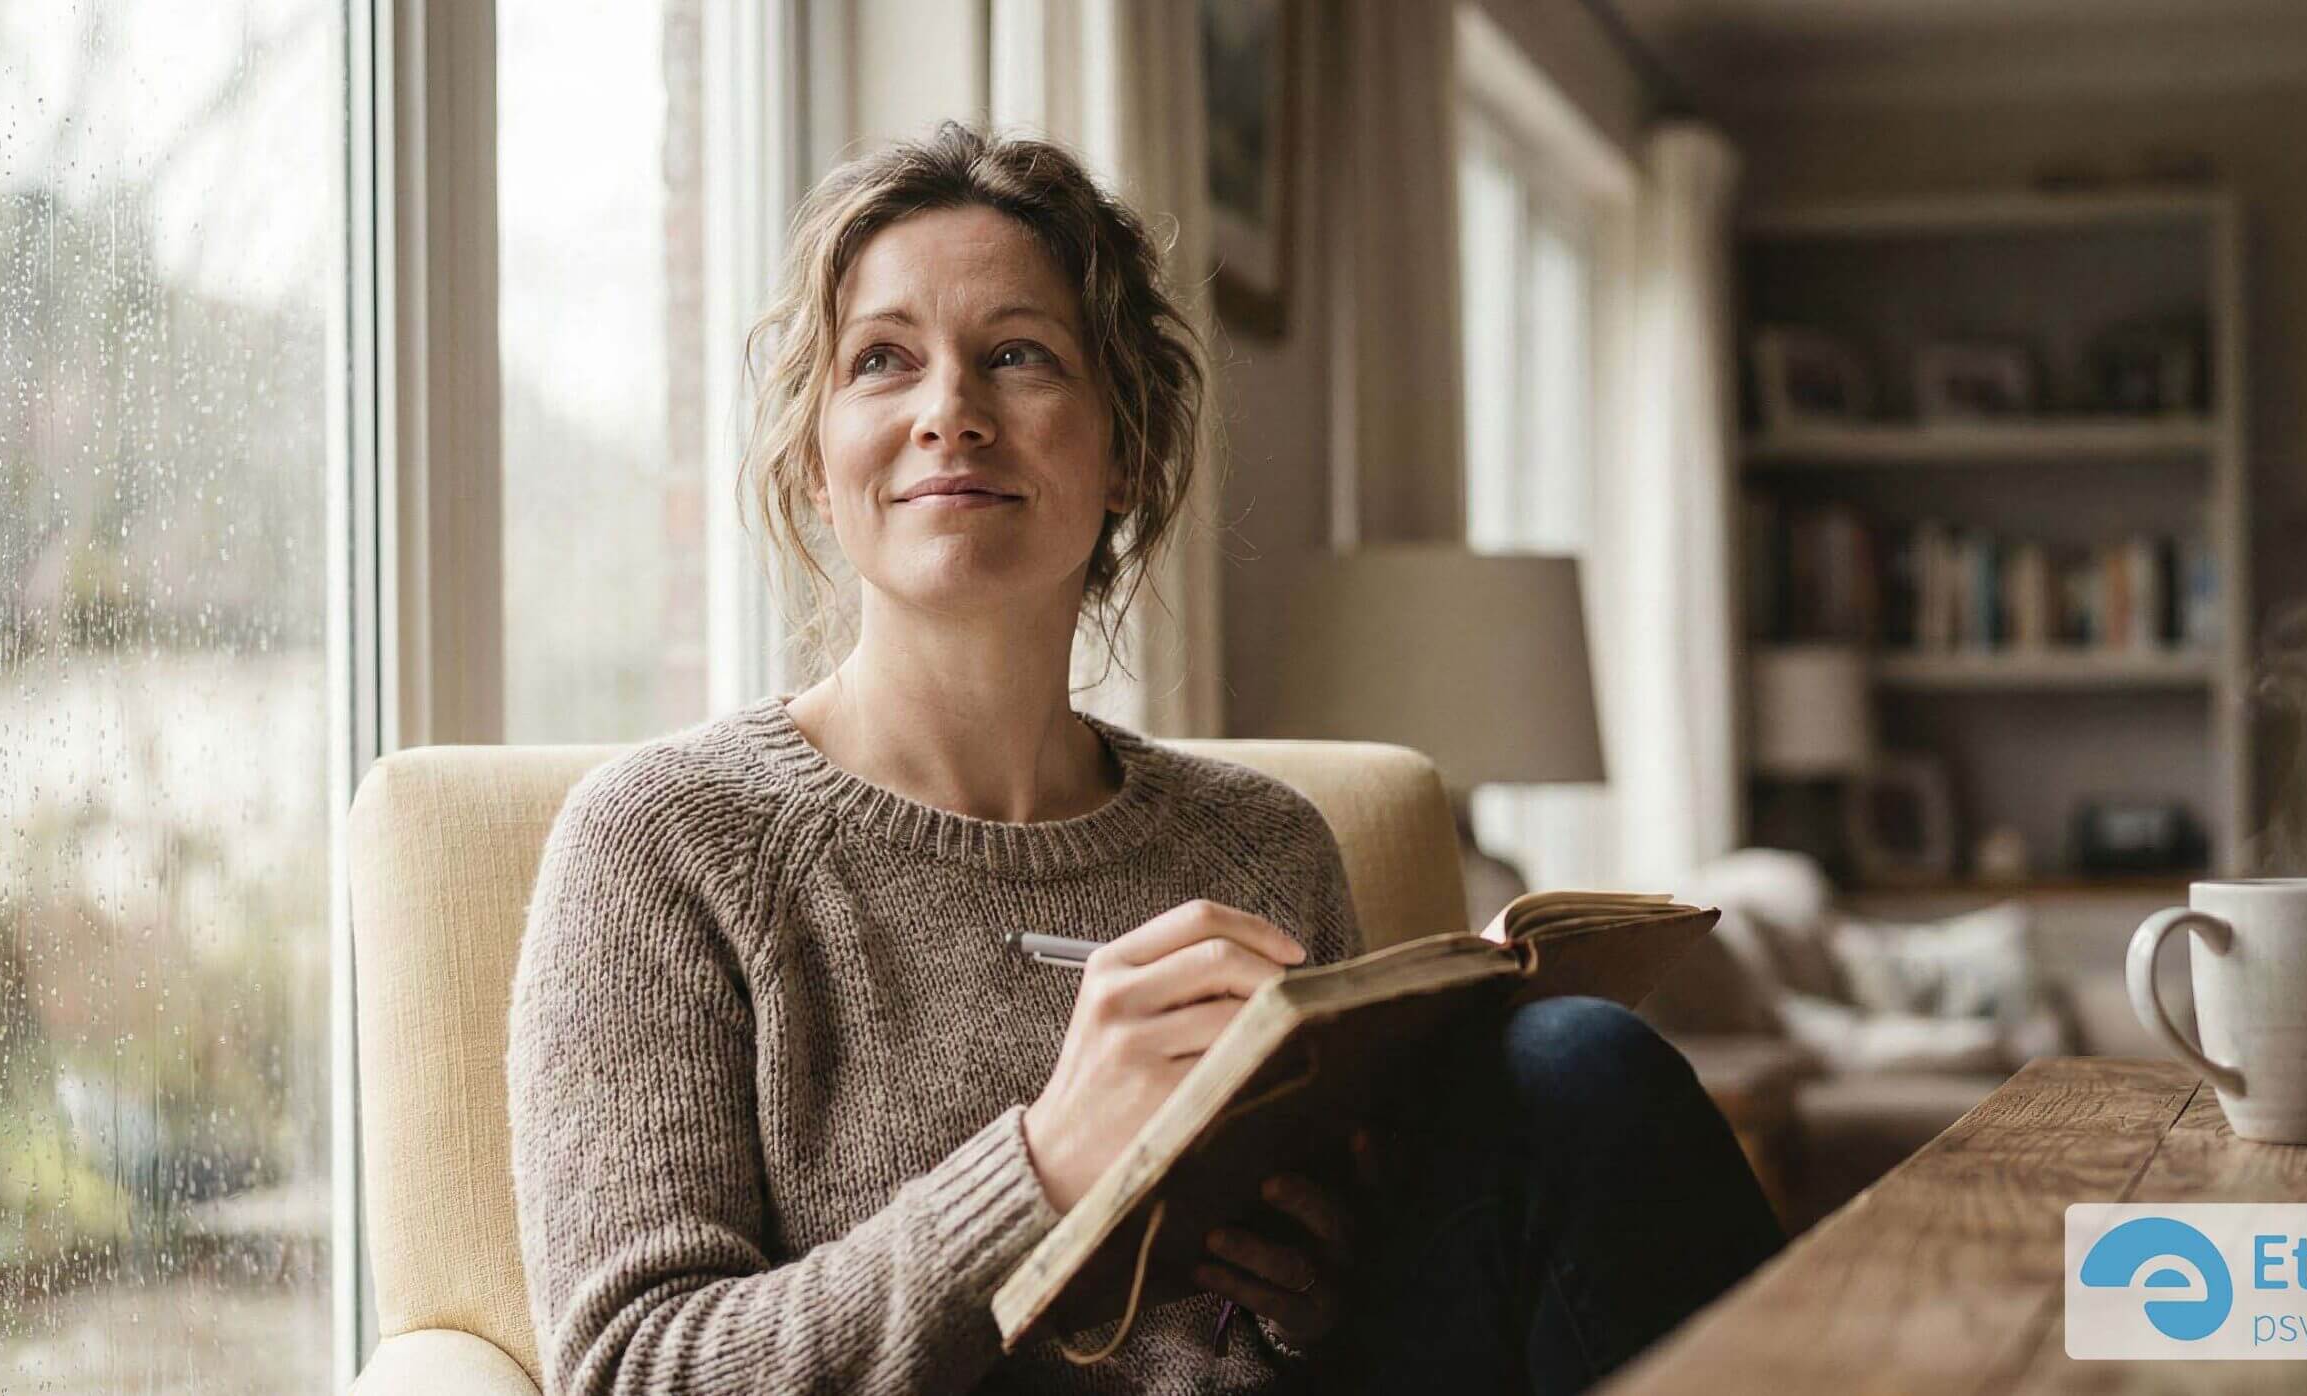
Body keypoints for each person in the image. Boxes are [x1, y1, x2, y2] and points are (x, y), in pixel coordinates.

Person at [506, 120, 1782, 1396]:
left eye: (1017, 356)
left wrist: (1311, 1288)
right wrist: (1052, 1161)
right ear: (815, 462)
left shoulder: (1261, 845)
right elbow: (632, 1373)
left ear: (1123, 450)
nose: (949, 410)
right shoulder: (667, 841)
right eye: (882, 361)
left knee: (1575, 1062)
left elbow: (1347, 1307)